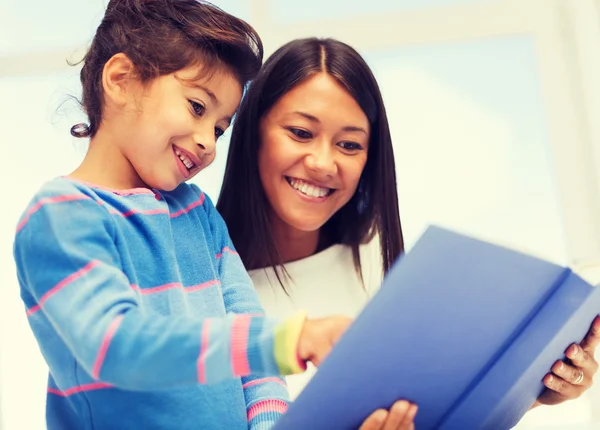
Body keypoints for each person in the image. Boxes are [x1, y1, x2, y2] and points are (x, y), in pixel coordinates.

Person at [217, 36, 600, 425]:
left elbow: (444, 410)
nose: (323, 163)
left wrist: (536, 392)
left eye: (349, 144)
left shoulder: (379, 263)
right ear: (253, 132)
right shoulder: (199, 292)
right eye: (301, 133)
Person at [12, 4, 354, 429]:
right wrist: (289, 340)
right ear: (121, 80)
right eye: (197, 107)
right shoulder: (60, 216)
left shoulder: (198, 214)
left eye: (219, 128)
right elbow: (118, 348)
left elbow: (256, 366)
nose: (208, 143)